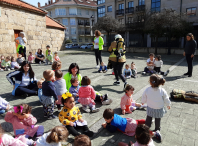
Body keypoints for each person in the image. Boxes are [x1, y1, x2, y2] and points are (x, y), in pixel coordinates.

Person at [142, 74, 171, 142]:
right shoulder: (162, 90)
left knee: (148, 119)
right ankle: (157, 130)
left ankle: (146, 129)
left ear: (150, 82)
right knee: (158, 120)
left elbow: (144, 96)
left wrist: (143, 102)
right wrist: (168, 104)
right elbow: (166, 98)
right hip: (159, 108)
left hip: (150, 108)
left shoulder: (147, 89)